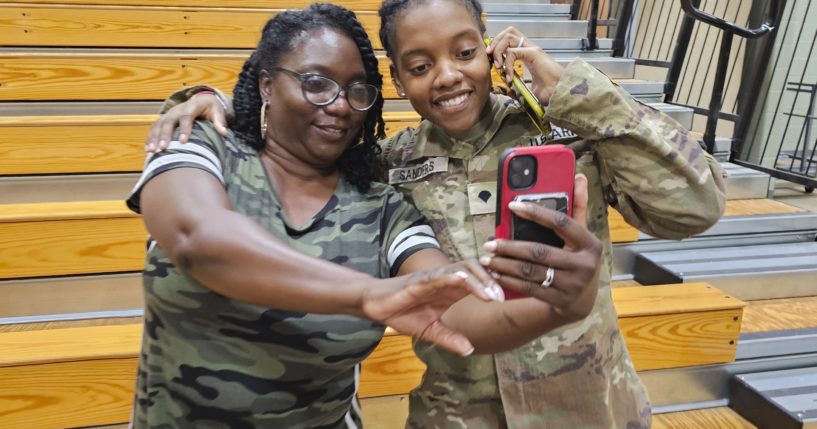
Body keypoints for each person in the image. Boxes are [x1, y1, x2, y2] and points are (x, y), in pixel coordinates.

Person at [146, 0, 727, 427]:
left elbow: (695, 208)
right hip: (457, 416)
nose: (447, 75)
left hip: (588, 408)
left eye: (465, 52)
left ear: (489, 47)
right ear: (397, 80)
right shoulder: (390, 165)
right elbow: (307, 117)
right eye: (420, 66)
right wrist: (212, 99)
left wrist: (580, 90)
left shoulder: (567, 132)